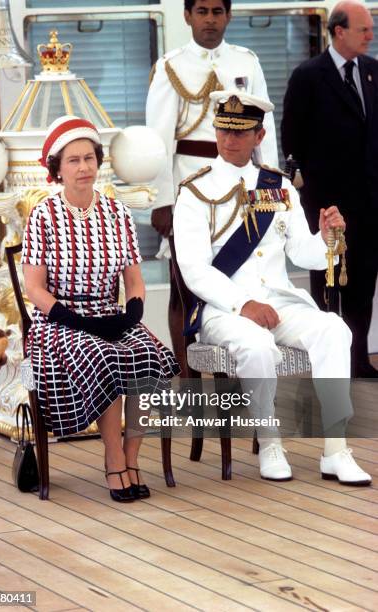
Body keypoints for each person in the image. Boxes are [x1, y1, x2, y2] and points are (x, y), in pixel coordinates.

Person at [173, 90, 371, 485]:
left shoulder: (279, 187)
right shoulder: (195, 191)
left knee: (335, 329)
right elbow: (194, 269)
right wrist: (243, 303)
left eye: (240, 132)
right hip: (223, 309)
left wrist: (329, 237)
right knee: (256, 345)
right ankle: (269, 441)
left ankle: (335, 449)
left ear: (259, 137)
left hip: (280, 303)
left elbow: (304, 252)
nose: (229, 140)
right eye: (223, 130)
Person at [22, 116, 180, 503]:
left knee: (146, 355)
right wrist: (72, 319)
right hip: (58, 320)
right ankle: (113, 461)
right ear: (56, 169)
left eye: (89, 158)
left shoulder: (117, 213)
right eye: (73, 160)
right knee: (106, 357)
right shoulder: (44, 215)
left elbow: (134, 280)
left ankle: (131, 459)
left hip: (109, 312)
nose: (83, 167)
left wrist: (133, 313)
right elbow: (33, 289)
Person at [146, 0, 278, 374]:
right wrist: (161, 200)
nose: (209, 20)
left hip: (242, 187)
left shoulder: (246, 61)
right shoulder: (172, 66)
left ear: (228, 16)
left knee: (238, 279)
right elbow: (158, 141)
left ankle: (234, 376)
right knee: (185, 289)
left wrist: (271, 184)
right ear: (187, 16)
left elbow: (264, 135)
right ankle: (188, 381)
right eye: (201, 11)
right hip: (191, 188)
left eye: (217, 12)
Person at [281, 0, 378, 378]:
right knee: (330, 283)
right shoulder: (308, 76)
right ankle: (329, 364)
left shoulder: (373, 72)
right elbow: (292, 140)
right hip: (328, 204)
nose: (370, 36)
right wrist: (307, 195)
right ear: (339, 31)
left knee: (363, 281)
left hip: (369, 202)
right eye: (364, 29)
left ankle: (357, 360)